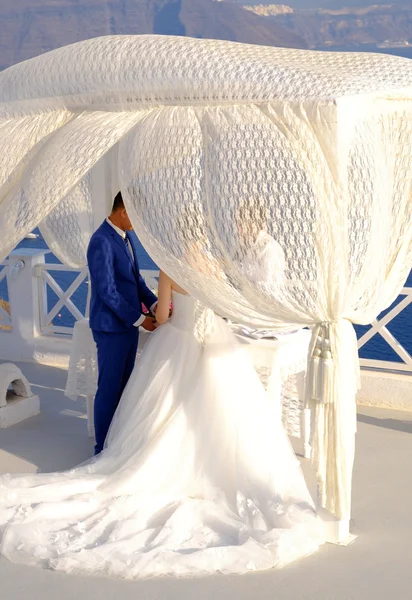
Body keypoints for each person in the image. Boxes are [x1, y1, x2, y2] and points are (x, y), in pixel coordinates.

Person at [0, 268, 324, 579]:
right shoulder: (215, 267)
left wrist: (159, 312)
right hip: (215, 340)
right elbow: (226, 307)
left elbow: (165, 316)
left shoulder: (169, 269)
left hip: (177, 341)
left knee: (164, 407)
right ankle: (211, 464)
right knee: (222, 409)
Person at [87, 191, 157, 454]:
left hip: (127, 327)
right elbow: (107, 292)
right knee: (108, 389)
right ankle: (101, 449)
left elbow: (135, 281)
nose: (138, 222)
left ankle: (117, 442)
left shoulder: (126, 238)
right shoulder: (101, 241)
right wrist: (140, 319)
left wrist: (153, 304)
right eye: (136, 215)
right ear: (124, 210)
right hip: (110, 328)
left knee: (125, 388)